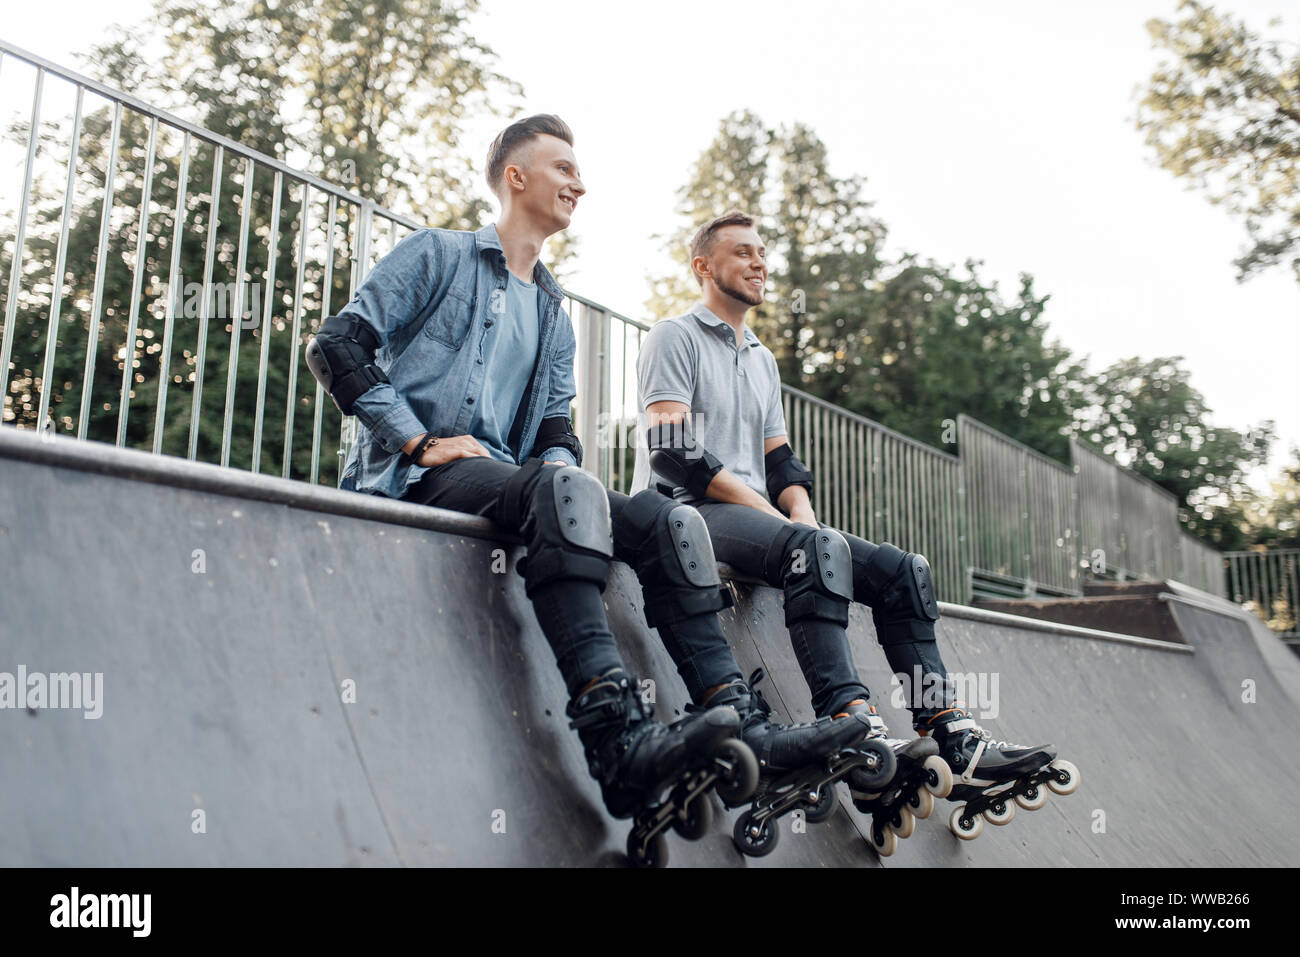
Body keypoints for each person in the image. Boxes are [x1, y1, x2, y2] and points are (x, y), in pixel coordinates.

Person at [306, 119, 865, 863]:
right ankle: (616, 738)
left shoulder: (550, 309)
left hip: (508, 480)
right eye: (563, 167)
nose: (579, 182)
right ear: (515, 175)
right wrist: (417, 438)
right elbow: (337, 344)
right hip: (421, 476)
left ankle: (738, 718)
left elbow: (555, 427)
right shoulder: (438, 254)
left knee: (661, 519)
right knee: (563, 487)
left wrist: (571, 474)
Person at [633, 210, 1075, 846]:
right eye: (741, 253)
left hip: (756, 518)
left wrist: (808, 521)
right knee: (814, 549)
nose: (759, 263)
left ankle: (951, 733)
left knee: (904, 572)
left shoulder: (761, 359)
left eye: (763, 253)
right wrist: (776, 518)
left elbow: (781, 459)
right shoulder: (673, 336)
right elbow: (673, 451)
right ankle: (853, 725)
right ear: (704, 266)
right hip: (691, 515)